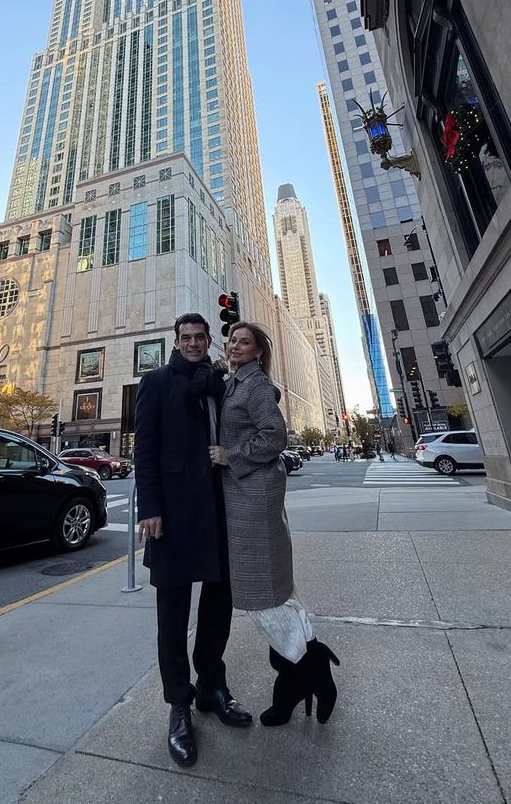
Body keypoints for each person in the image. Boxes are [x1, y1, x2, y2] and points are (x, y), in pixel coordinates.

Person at [134, 313, 252, 769]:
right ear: (176, 341)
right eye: (186, 338)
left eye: (201, 338)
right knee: (173, 611)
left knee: (219, 601)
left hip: (219, 508)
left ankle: (211, 686)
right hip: (174, 513)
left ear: (209, 341)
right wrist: (150, 509)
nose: (193, 344)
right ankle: (179, 705)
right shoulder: (158, 382)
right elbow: (144, 448)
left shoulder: (221, 384)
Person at [209, 321, 340, 726]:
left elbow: (275, 437)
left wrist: (230, 455)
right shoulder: (234, 382)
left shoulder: (257, 387)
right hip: (242, 496)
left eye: (244, 342)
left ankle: (311, 672)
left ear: (259, 351)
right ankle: (299, 678)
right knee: (270, 590)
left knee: (262, 591)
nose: (235, 346)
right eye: (232, 340)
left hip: (255, 496)